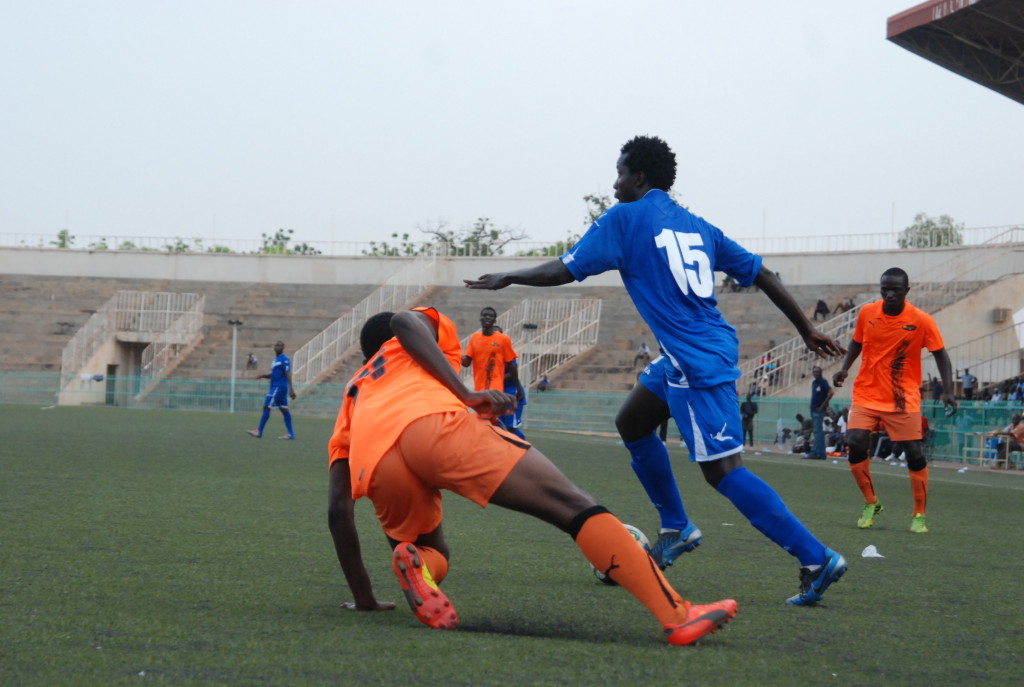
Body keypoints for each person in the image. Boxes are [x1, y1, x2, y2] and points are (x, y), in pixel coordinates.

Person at [464, 134, 848, 606]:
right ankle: (676, 527)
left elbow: (568, 268)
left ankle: (815, 558)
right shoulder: (696, 224)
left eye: (620, 172)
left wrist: (511, 275)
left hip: (695, 360)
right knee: (632, 421)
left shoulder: (625, 218)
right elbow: (763, 273)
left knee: (723, 472)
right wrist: (805, 329)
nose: (615, 182)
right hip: (688, 352)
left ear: (639, 177)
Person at [325, 307, 738, 646]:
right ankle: (677, 615)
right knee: (571, 505)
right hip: (430, 423)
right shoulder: (416, 337)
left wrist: (364, 599)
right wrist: (465, 394)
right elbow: (403, 322)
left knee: (430, 553)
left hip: (377, 463)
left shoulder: (353, 394)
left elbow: (338, 510)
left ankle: (418, 566)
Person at [832, 267, 957, 534]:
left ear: (906, 292)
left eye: (895, 290)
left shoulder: (921, 320)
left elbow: (940, 354)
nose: (888, 294)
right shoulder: (867, 313)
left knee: (914, 452)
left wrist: (948, 390)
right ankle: (871, 502)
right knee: (853, 442)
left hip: (902, 399)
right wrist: (845, 368)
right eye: (884, 289)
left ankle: (919, 514)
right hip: (867, 393)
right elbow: (857, 342)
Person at [461, 307, 524, 424]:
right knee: (488, 421)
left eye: (490, 316)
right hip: (479, 389)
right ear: (480, 318)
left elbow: (511, 365)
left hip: (495, 388)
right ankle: (500, 437)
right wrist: (454, 354)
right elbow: (466, 362)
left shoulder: (503, 339)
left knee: (487, 419)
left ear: (495, 320)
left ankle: (501, 437)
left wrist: (518, 388)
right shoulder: (475, 338)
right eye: (484, 315)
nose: (487, 317)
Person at [247, 340, 297, 439]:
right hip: (276, 387)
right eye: (276, 345)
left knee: (266, 406)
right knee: (284, 409)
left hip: (279, 387)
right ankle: (291, 434)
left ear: (283, 348)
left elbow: (288, 373)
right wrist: (263, 375)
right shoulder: (275, 360)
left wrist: (291, 388)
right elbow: (274, 374)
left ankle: (259, 431)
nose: (277, 347)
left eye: (279, 346)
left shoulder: (284, 359)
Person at [806, 366, 834, 460]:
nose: (815, 373)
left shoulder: (823, 382)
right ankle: (818, 452)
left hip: (819, 410)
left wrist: (823, 406)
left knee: (818, 432)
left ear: (821, 372)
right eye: (814, 372)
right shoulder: (814, 383)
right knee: (816, 432)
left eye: (817, 372)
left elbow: (830, 393)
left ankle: (818, 452)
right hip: (813, 409)